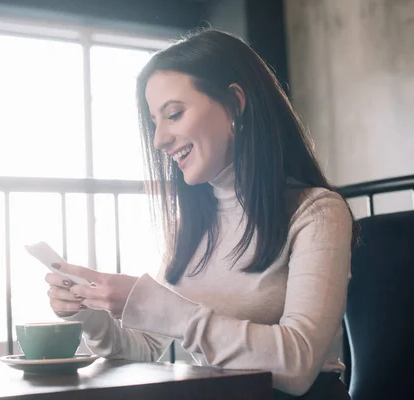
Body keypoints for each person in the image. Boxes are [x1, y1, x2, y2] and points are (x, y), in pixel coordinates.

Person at [45, 28, 355, 399]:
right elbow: (142, 348)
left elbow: (299, 364)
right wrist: (89, 309)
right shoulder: (193, 225)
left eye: (173, 114)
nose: (159, 139)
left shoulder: (317, 212)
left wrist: (160, 306)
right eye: (154, 122)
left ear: (235, 104)